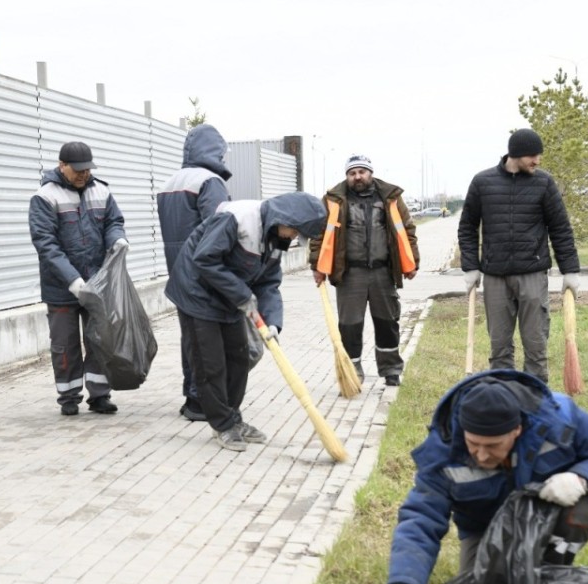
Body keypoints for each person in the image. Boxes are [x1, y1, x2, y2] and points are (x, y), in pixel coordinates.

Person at [386, 369, 588, 584]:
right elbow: (420, 519)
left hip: (547, 514)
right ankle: (521, 577)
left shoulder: (558, 418)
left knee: (581, 512)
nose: (482, 456)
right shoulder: (442, 452)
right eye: (474, 443)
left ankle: (545, 570)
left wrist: (582, 479)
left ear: (517, 429)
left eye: (493, 445)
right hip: (484, 529)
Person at [165, 192, 326, 452]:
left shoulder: (275, 237)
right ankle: (222, 425)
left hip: (229, 297)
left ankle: (233, 418)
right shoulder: (238, 219)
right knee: (211, 363)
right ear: (286, 218)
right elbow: (205, 259)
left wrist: (272, 321)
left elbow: (269, 282)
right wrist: (242, 295)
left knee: (239, 357)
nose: (294, 237)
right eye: (295, 231)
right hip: (197, 294)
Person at [458, 128, 580, 383]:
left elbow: (560, 228)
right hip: (495, 276)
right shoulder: (483, 182)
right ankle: (504, 398)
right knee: (499, 346)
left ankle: (535, 398)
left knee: (536, 343)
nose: (538, 161)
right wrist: (470, 266)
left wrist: (570, 270)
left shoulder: (544, 183)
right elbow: (468, 227)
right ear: (516, 154)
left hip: (532, 274)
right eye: (533, 156)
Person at [29, 141, 128, 416]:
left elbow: (113, 222)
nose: (84, 174)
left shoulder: (102, 191)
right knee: (64, 344)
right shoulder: (45, 197)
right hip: (61, 287)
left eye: (87, 169)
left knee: (99, 339)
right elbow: (45, 243)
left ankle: (99, 395)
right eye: (78, 170)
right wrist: (71, 279)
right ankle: (69, 396)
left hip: (97, 283)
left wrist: (117, 239)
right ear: (62, 166)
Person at [309, 155, 419, 386]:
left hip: (383, 272)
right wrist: (317, 266)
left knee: (387, 323)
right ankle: (352, 373)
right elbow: (319, 235)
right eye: (352, 173)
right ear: (347, 176)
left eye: (362, 171)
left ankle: (391, 370)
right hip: (349, 275)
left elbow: (407, 230)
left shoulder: (390, 198)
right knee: (349, 326)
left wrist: (412, 262)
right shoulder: (334, 200)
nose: (357, 176)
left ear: (370, 173)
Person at [157, 124, 232, 422]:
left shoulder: (170, 182)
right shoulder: (210, 181)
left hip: (176, 269)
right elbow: (218, 229)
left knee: (190, 337)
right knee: (207, 340)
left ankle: (192, 395)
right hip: (203, 271)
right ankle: (202, 400)